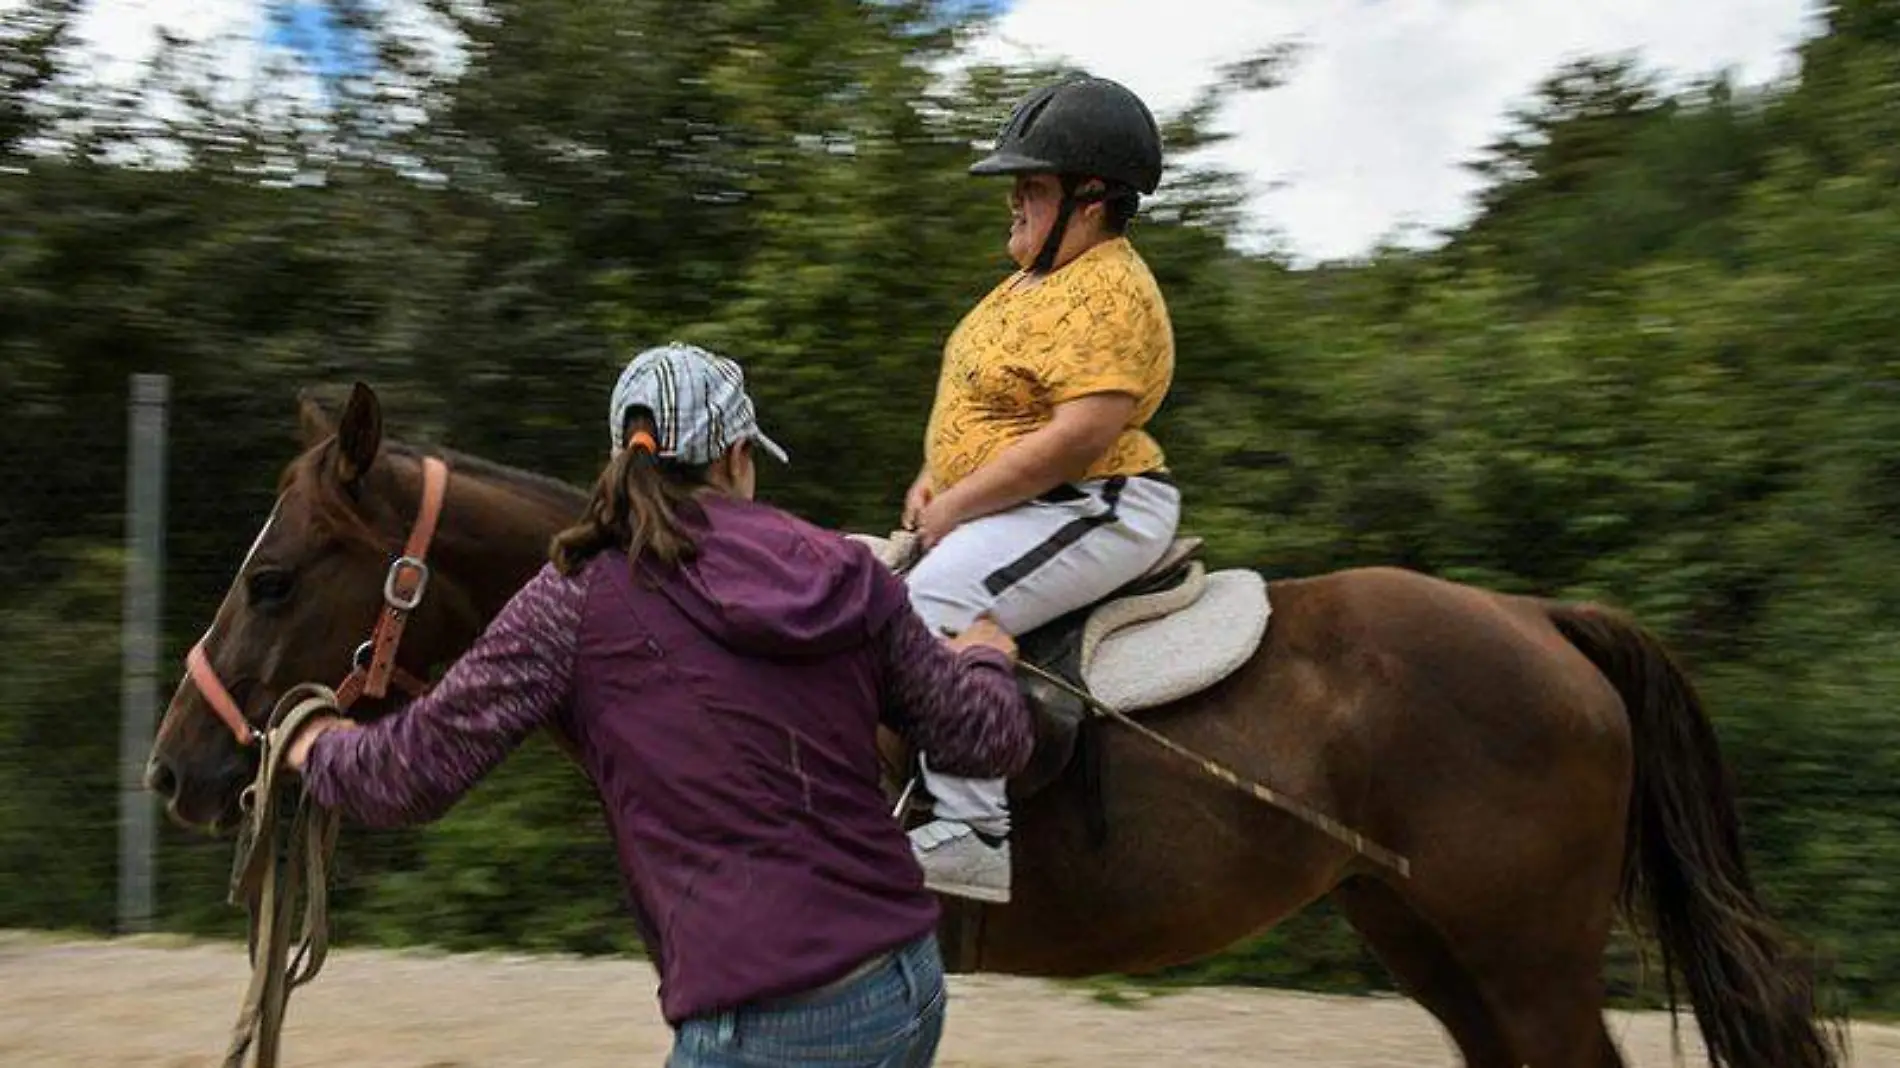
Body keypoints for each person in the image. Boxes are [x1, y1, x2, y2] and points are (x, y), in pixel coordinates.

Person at [284, 341, 1035, 1068]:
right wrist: (985, 658)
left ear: (622, 457)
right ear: (738, 456)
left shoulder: (571, 600)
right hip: (904, 986)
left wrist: (312, 740)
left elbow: (407, 774)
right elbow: (986, 738)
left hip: (766, 1022)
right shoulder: (845, 567)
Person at [899, 75, 1181, 905]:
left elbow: (1080, 435)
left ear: (1091, 199)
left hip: (1099, 501)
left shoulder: (1111, 287)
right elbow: (994, 407)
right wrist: (937, 475)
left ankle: (973, 827)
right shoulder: (1032, 281)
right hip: (1031, 504)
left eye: (1032, 186)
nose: (1014, 202)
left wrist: (954, 504)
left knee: (934, 597)